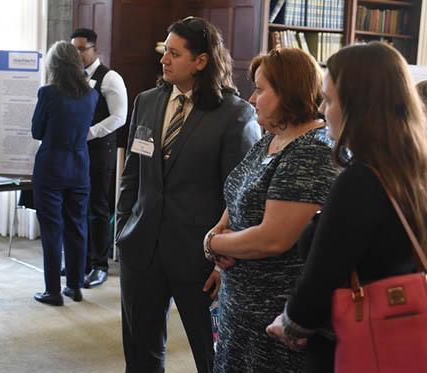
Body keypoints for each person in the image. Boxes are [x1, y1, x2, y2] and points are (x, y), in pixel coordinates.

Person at [266, 42, 427, 373]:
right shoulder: (413, 169)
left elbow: (323, 273)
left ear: (358, 106)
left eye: (328, 99)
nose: (323, 110)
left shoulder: (360, 181)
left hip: (358, 341)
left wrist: (292, 322)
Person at [116, 16, 261, 372]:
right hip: (142, 249)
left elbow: (239, 195)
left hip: (202, 258)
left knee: (212, 357)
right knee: (140, 353)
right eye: (165, 52)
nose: (164, 60)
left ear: (201, 60)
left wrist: (226, 261)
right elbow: (132, 174)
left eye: (174, 53)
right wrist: (121, 228)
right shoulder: (147, 102)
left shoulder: (235, 114)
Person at [204, 48, 338, 372]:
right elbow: (238, 193)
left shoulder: (311, 151)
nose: (252, 98)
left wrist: (211, 244)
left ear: (288, 92)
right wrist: (218, 234)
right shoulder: (272, 139)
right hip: (241, 311)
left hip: (275, 322)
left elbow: (272, 240)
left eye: (261, 89)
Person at [32, 41, 99, 306]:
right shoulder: (92, 95)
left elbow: (37, 131)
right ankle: (74, 286)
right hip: (80, 167)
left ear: (54, 64)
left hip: (50, 168)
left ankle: (53, 291)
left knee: (52, 229)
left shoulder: (48, 93)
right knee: (77, 227)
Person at [70, 28, 128, 288]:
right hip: (75, 151)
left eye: (82, 49)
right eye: (74, 49)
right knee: (76, 207)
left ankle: (99, 265)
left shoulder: (110, 77)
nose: (78, 53)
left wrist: (89, 133)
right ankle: (79, 261)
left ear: (95, 49)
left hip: (100, 150)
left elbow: (119, 116)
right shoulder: (71, 76)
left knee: (98, 208)